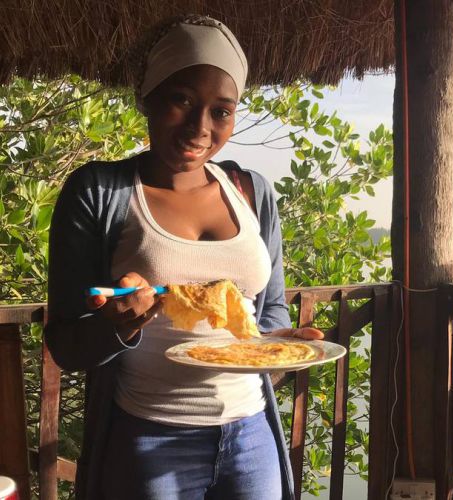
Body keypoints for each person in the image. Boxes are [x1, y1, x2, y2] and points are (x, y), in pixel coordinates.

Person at [44, 14, 322, 500]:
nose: (200, 128)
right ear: (148, 97)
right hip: (149, 436)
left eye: (222, 111)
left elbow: (271, 309)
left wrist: (273, 345)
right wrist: (119, 325)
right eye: (182, 100)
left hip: (251, 434)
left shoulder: (252, 191)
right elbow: (66, 345)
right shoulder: (98, 192)